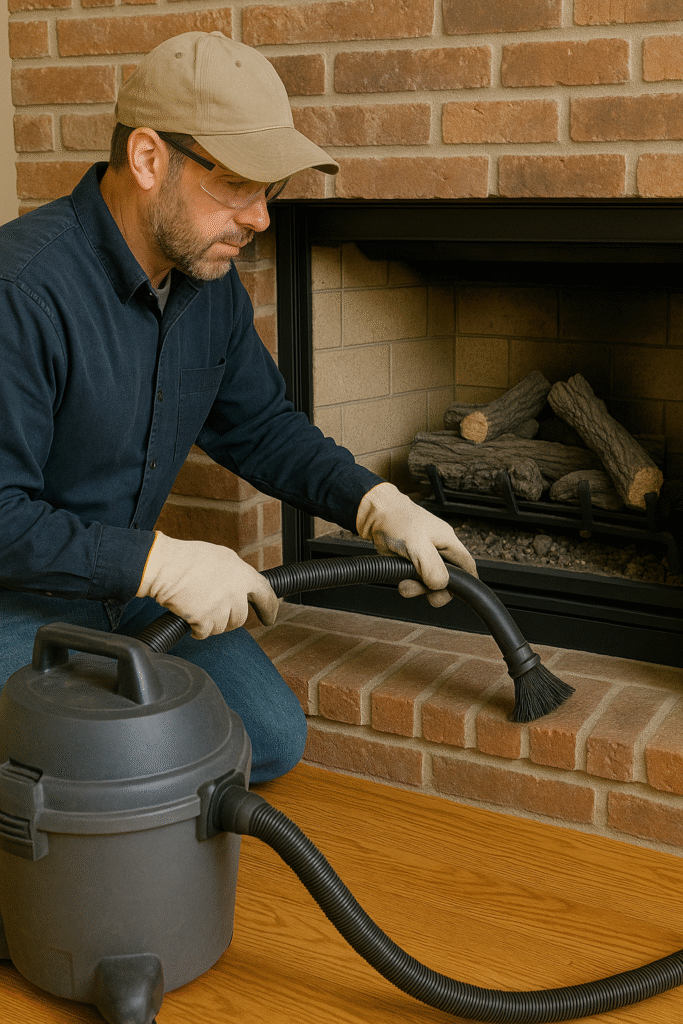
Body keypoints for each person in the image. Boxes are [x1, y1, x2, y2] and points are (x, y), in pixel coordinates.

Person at [0, 32, 476, 783]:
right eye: (238, 186)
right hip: (18, 596)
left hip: (123, 586)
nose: (260, 219)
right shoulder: (21, 292)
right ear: (149, 159)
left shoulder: (207, 287)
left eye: (269, 190)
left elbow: (260, 427)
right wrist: (159, 563)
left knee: (269, 737)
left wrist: (376, 505)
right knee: (99, 766)